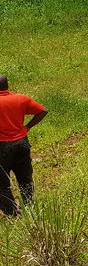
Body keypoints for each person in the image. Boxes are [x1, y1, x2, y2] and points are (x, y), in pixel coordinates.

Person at [0, 75, 48, 216]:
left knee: (1, 183)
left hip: (2, 146)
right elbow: (42, 111)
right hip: (22, 143)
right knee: (25, 178)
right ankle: (30, 209)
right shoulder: (21, 98)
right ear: (7, 85)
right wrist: (27, 127)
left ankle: (13, 213)